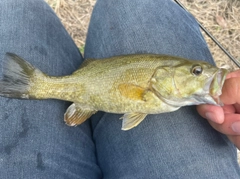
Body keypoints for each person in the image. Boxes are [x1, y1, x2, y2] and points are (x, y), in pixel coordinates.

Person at [0, 0, 239, 178]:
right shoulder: (156, 96)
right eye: (196, 71)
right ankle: (37, 85)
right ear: (160, 77)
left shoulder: (164, 97)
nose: (205, 74)